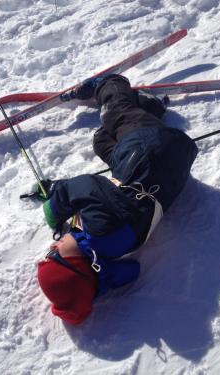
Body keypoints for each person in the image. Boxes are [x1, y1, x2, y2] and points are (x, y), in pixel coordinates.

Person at [37, 74, 198, 325]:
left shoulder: (108, 261)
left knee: (101, 141)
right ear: (76, 261)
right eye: (53, 254)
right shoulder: (100, 231)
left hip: (170, 172)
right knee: (117, 113)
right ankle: (109, 85)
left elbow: (128, 272)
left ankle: (147, 108)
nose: (53, 245)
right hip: (149, 151)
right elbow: (86, 185)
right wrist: (55, 204)